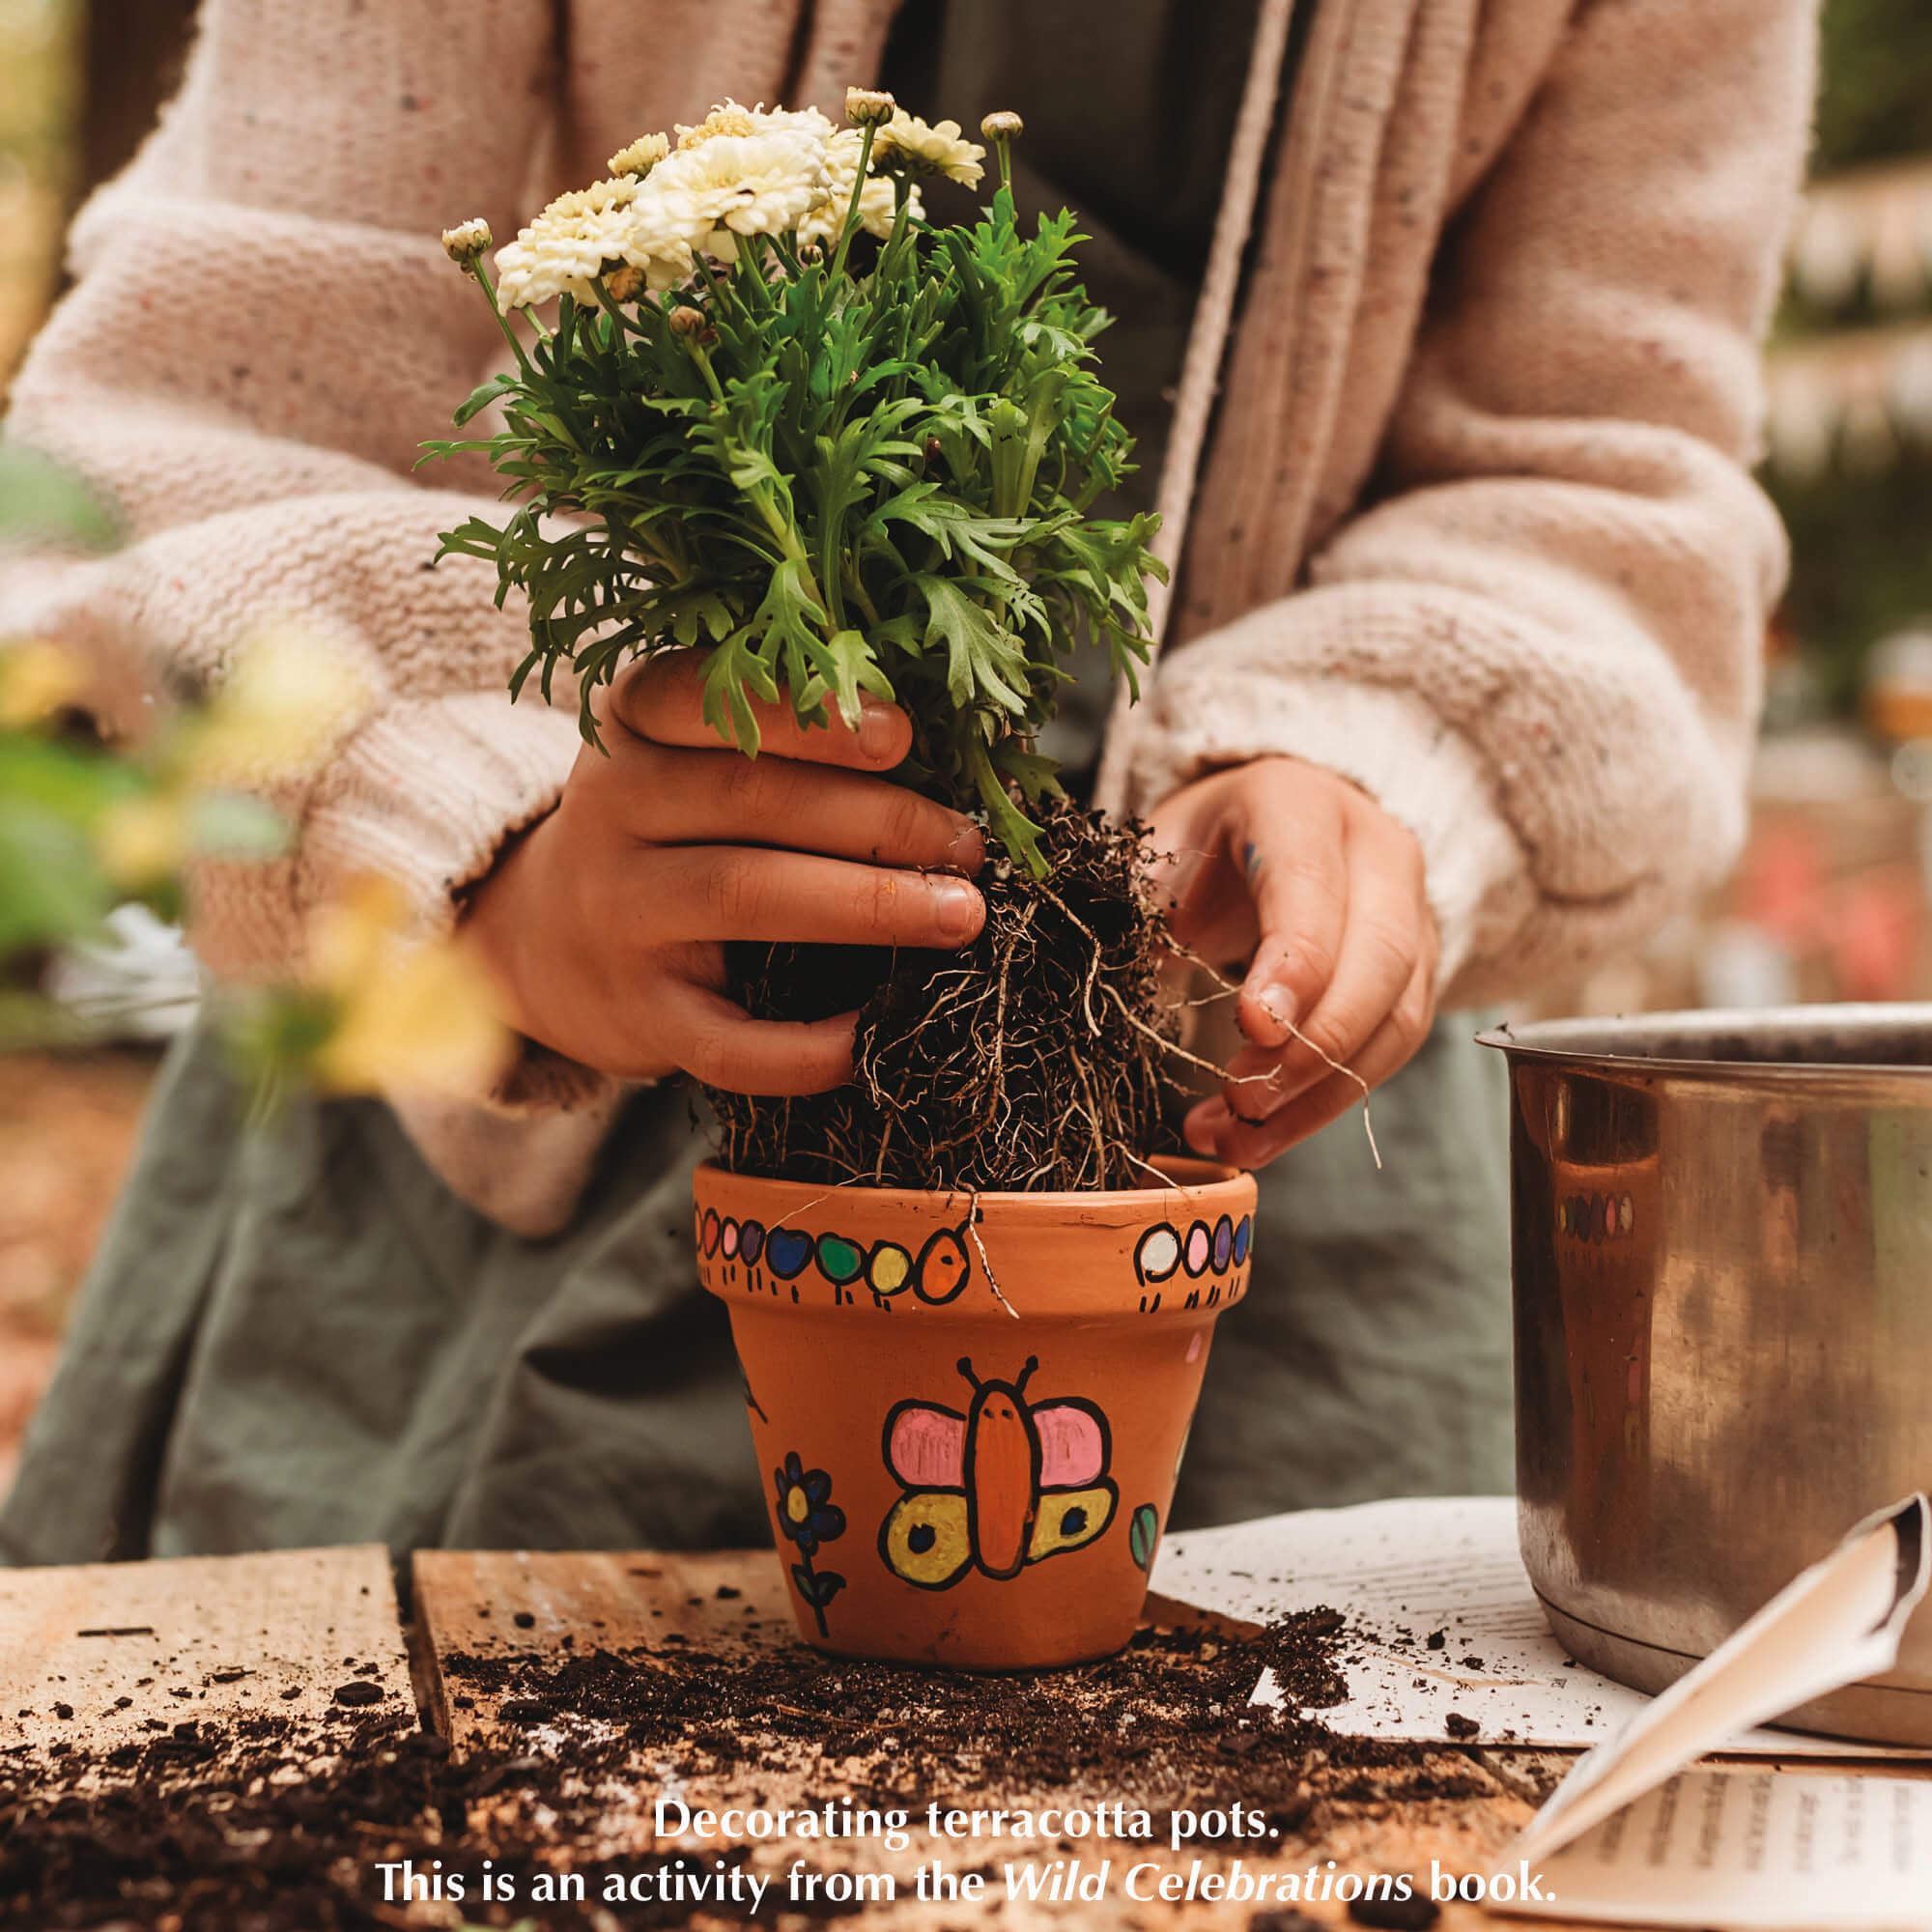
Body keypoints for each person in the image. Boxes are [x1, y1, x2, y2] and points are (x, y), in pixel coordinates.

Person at [0, 0, 1817, 1564]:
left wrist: (1380, 757)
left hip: (1249, 1150)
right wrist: (485, 863)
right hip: (489, 1123)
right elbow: (193, 423)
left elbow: (1605, 492)